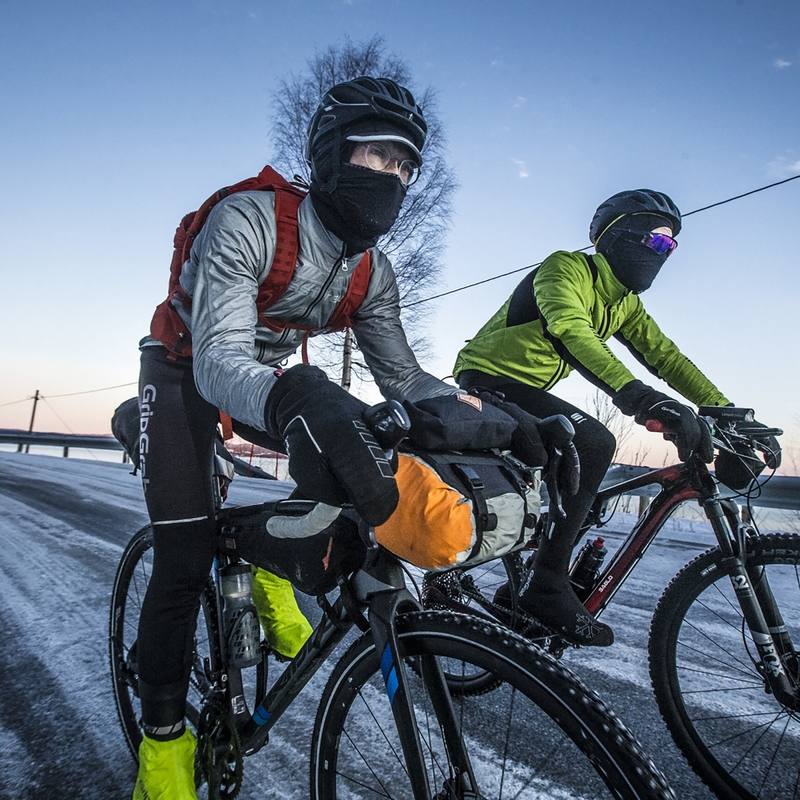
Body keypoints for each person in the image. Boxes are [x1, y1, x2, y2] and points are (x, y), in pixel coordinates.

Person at [131, 77, 467, 800]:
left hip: (261, 374)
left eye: (406, 166)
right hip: (185, 369)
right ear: (331, 154)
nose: (394, 177)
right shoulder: (249, 219)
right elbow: (218, 360)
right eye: (378, 156)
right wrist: (297, 399)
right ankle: (162, 745)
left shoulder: (371, 271)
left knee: (353, 443)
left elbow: (404, 378)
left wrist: (482, 412)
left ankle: (268, 564)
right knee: (183, 556)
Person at [453, 188, 777, 647]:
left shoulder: (624, 303)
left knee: (582, 489)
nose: (663, 253)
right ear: (619, 236)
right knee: (594, 442)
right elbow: (570, 330)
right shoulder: (565, 267)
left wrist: (728, 413)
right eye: (657, 240)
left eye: (671, 246)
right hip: (486, 376)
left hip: (528, 390)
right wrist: (643, 400)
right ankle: (546, 585)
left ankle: (525, 581)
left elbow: (667, 358)